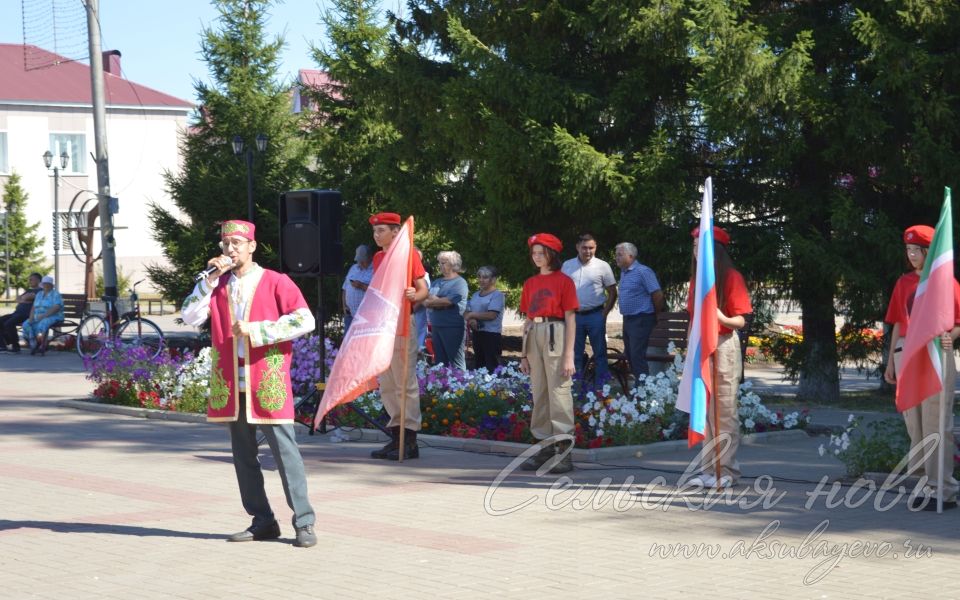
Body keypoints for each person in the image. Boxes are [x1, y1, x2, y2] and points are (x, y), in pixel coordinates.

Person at [181, 219, 318, 548]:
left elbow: (305, 319)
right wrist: (209, 280)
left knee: (286, 455)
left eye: (237, 244)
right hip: (232, 385)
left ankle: (304, 522)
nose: (231, 250)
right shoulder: (217, 285)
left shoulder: (275, 281)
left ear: (252, 246)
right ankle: (262, 521)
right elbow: (189, 316)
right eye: (226, 244)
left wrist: (259, 330)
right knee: (243, 458)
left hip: (266, 380)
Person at [883, 225, 960, 510]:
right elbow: (897, 324)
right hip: (907, 353)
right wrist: (891, 360)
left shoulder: (945, 282)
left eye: (917, 250)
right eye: (908, 250)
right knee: (914, 424)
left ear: (930, 252)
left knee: (937, 422)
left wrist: (950, 335)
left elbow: (958, 321)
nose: (911, 255)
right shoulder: (903, 283)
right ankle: (921, 485)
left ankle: (944, 490)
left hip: (936, 355)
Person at [686, 226, 752, 489]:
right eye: (692, 246)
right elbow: (693, 317)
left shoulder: (731, 277)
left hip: (723, 343)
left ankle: (726, 470)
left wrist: (721, 317)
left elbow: (740, 320)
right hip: (702, 345)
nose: (694, 250)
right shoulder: (697, 280)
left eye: (699, 246)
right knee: (705, 409)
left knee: (723, 410)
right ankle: (708, 469)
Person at [368, 212, 429, 461]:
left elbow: (423, 288)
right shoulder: (378, 257)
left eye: (381, 230)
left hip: (403, 322)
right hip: (383, 323)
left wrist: (415, 294)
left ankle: (410, 438)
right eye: (375, 231)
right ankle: (395, 436)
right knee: (388, 382)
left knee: (405, 381)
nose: (376, 235)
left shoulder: (409, 254)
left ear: (396, 232)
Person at [519, 233, 578, 474]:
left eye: (541, 253)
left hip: (557, 332)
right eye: (534, 253)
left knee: (559, 393)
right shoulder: (530, 283)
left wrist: (569, 355)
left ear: (551, 255)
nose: (536, 257)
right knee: (539, 392)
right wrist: (523, 355)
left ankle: (563, 450)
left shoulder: (564, 281)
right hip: (535, 333)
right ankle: (544, 448)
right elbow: (527, 320)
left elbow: (571, 318)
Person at [561, 234, 618, 384]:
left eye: (591, 248)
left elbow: (613, 291)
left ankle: (601, 391)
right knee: (575, 354)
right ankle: (576, 389)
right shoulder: (567, 265)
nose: (588, 251)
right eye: (584, 247)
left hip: (595, 315)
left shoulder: (603, 266)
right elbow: (560, 290)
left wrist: (604, 313)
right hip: (574, 317)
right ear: (577, 247)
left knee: (600, 354)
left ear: (595, 248)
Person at [614, 242, 664, 382]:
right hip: (628, 319)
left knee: (636, 355)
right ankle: (640, 387)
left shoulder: (643, 271)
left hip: (641, 319)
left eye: (620, 255)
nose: (616, 258)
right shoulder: (624, 272)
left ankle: (644, 390)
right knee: (630, 354)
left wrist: (656, 315)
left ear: (631, 256)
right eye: (616, 255)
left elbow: (657, 294)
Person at [424, 250, 468, 370]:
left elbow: (448, 302)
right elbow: (425, 300)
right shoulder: (437, 281)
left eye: (444, 263)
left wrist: (435, 301)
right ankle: (442, 387)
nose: (440, 265)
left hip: (452, 326)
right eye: (440, 263)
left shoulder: (460, 282)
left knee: (455, 362)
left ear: (454, 264)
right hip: (436, 326)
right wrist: (437, 301)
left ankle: (461, 386)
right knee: (440, 362)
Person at [464, 266, 505, 372]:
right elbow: (467, 311)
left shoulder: (497, 295)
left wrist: (472, 315)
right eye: (479, 277)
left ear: (493, 279)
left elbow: (491, 315)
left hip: (491, 336)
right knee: (478, 366)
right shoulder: (475, 295)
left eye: (485, 277)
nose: (481, 280)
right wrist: (471, 320)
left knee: (492, 367)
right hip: (477, 334)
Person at [22, 275, 64, 356]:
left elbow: (57, 307)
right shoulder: (39, 294)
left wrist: (44, 315)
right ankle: (33, 341)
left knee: (43, 323)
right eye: (44, 284)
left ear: (51, 285)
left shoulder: (55, 294)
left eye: (48, 284)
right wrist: (31, 318)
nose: (46, 285)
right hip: (38, 316)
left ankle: (42, 345)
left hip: (54, 316)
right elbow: (34, 307)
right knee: (26, 324)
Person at [0, 272, 41, 353]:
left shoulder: (40, 291)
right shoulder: (29, 290)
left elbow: (29, 297)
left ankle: (16, 347)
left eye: (31, 279)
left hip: (26, 315)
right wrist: (24, 299)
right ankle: (3, 345)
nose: (29, 281)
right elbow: (17, 299)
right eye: (29, 279)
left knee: (9, 324)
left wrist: (24, 299)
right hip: (16, 313)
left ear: (38, 280)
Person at [341, 244, 373, 333]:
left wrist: (362, 286)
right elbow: (344, 288)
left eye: (363, 260)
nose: (360, 262)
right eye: (359, 260)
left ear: (370, 258)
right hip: (349, 315)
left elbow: (378, 292)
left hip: (365, 317)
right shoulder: (353, 268)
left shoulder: (375, 269)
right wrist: (344, 306)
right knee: (348, 344)